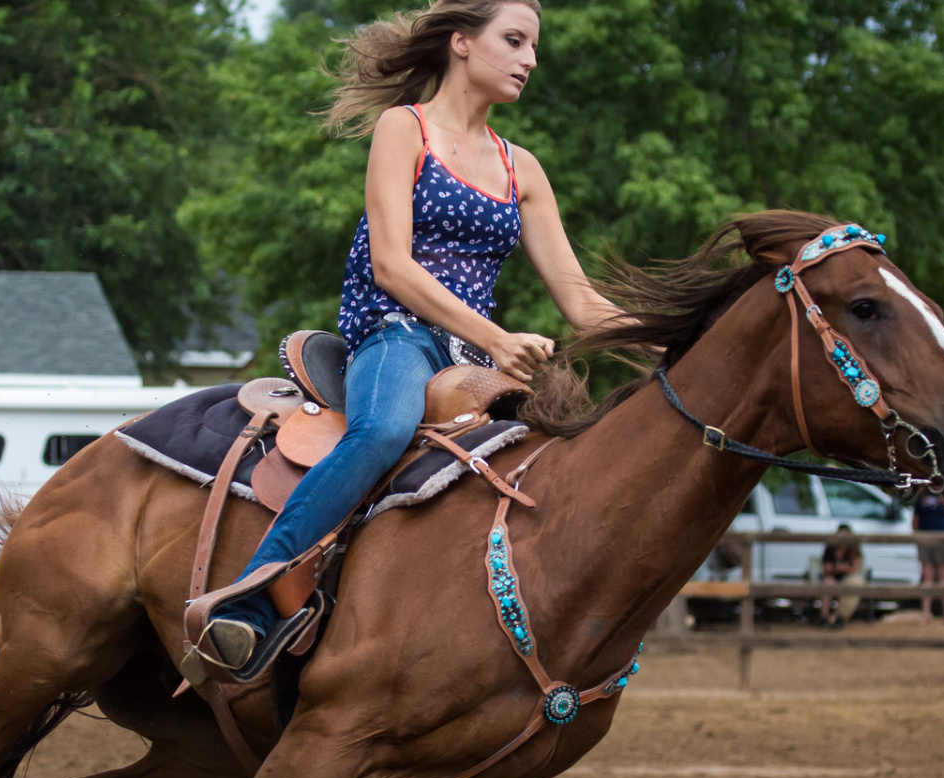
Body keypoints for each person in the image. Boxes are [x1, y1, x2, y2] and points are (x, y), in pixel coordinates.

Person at [200, 0, 633, 676]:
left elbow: (579, 300)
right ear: (460, 43)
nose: (530, 60)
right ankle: (247, 599)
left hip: (477, 365)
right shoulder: (406, 129)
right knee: (381, 431)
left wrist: (674, 338)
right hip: (396, 338)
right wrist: (495, 333)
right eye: (515, 41)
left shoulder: (524, 170)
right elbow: (392, 265)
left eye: (533, 47)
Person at [912, 491, 944, 625]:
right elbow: (915, 520)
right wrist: (917, 538)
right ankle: (926, 613)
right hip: (925, 539)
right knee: (927, 578)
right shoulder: (922, 496)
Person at [818, 525, 862, 629]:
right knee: (827, 583)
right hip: (831, 577)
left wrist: (839, 568)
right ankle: (824, 617)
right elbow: (827, 570)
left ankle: (839, 618)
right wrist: (844, 567)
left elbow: (855, 569)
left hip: (847, 578)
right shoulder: (830, 549)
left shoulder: (854, 550)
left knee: (854, 584)